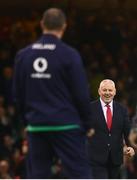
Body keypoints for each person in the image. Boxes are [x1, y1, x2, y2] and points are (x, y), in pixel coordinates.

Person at [12, 8, 93, 178]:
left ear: (42, 25)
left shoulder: (23, 55)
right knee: (80, 174)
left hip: (37, 125)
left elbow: (17, 94)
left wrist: (27, 121)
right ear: (64, 26)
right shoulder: (70, 55)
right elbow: (80, 93)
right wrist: (87, 123)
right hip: (67, 125)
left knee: (38, 175)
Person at [87, 79, 135, 179]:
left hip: (116, 159)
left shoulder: (122, 109)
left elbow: (127, 131)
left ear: (115, 91)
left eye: (110, 90)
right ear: (99, 91)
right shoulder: (90, 109)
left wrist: (130, 146)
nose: (107, 93)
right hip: (96, 159)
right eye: (105, 90)